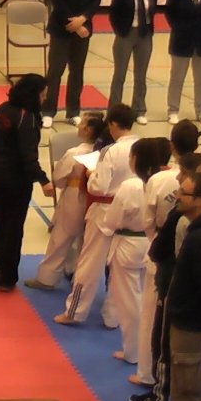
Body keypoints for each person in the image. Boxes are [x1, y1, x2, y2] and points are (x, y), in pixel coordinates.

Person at [131, 152, 201, 401]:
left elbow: (162, 249)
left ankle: (162, 397)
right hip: (188, 301)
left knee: (166, 347)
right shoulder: (193, 223)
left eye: (184, 188)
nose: (178, 192)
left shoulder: (187, 224)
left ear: (200, 198)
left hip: (180, 299)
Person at [56, 104, 139, 326]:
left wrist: (92, 174)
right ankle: (113, 317)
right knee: (119, 269)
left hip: (104, 210)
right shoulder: (141, 147)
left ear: (113, 124)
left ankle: (74, 312)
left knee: (89, 264)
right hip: (131, 212)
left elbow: (99, 187)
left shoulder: (111, 151)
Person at [157, 170, 201, 401]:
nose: (177, 196)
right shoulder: (198, 230)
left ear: (200, 200)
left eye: (184, 193)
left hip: (193, 327)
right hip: (196, 323)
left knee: (190, 392)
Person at [131, 123, 193, 387]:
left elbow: (147, 221)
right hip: (188, 254)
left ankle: (147, 373)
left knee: (152, 316)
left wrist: (156, 241)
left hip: (162, 251)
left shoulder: (158, 179)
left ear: (172, 146)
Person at [0, 74, 55, 291]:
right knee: (13, 228)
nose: (44, 99)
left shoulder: (2, 108)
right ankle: (6, 277)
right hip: (14, 178)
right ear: (33, 95)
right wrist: (43, 180)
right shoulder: (28, 118)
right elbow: (28, 156)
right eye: (42, 94)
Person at [26, 112, 109, 291]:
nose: (79, 126)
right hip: (96, 200)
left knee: (61, 238)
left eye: (82, 123)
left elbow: (59, 178)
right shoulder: (105, 153)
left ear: (87, 130)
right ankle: (77, 276)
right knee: (85, 242)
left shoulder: (75, 153)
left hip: (74, 196)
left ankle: (46, 279)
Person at [101, 138, 165, 365]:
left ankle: (133, 353)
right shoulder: (164, 182)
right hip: (153, 244)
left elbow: (112, 220)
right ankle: (149, 352)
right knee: (148, 301)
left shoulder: (131, 186)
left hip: (128, 245)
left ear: (136, 159)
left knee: (129, 303)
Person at [41, 0, 101, 128]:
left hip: (83, 28)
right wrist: (74, 24)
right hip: (61, 27)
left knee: (77, 71)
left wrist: (83, 19)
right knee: (55, 71)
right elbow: (57, 0)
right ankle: (48, 111)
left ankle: (73, 112)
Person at [108, 0, 157, 126]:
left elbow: (152, 12)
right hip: (126, 34)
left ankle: (139, 109)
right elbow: (113, 13)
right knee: (120, 74)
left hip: (144, 34)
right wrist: (120, 31)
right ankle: (114, 110)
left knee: (141, 75)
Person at [164, 0, 201, 125]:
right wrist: (180, 29)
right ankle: (173, 110)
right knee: (177, 78)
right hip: (181, 41)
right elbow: (170, 12)